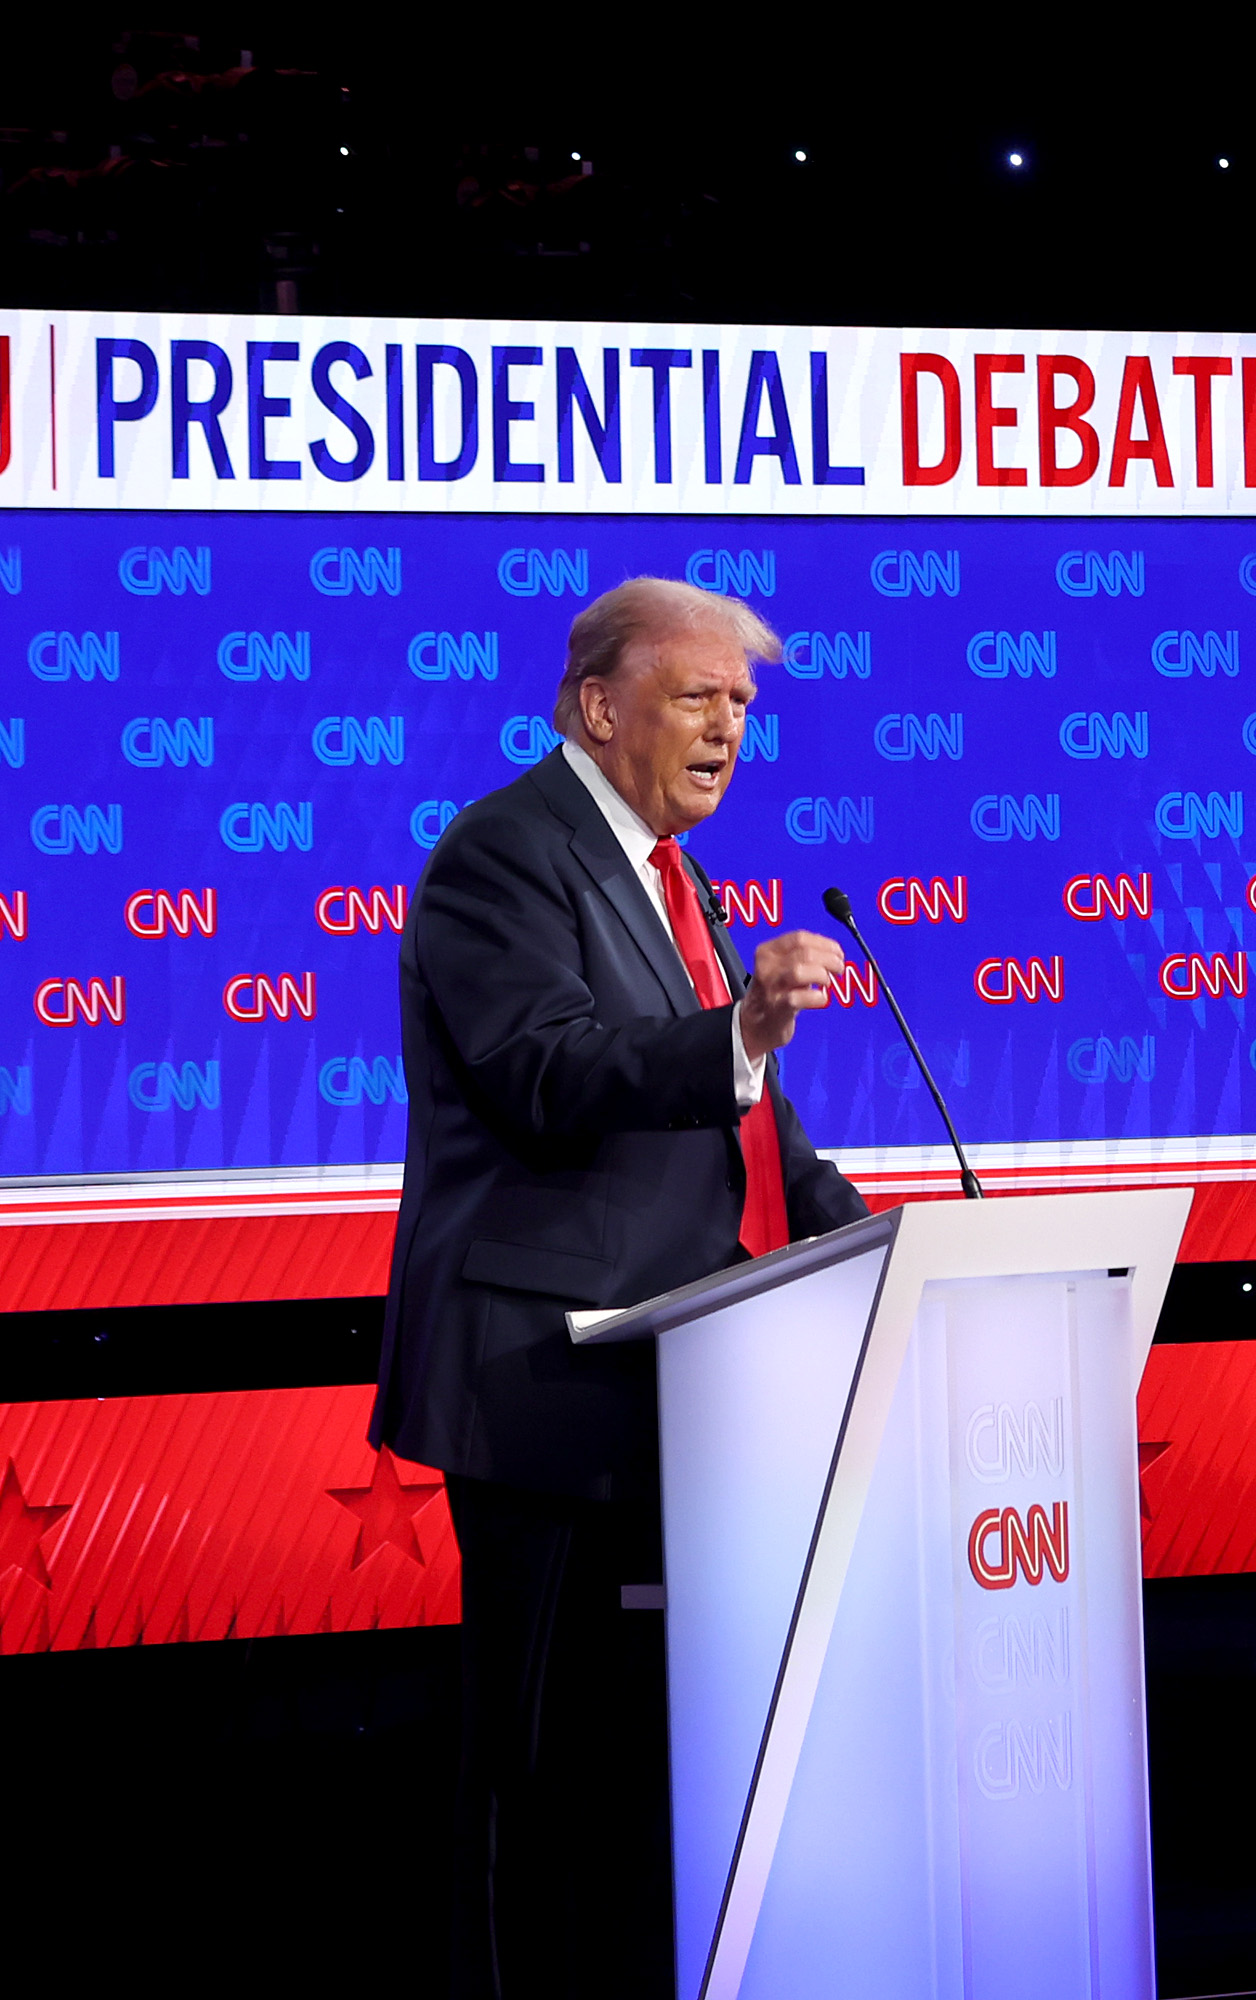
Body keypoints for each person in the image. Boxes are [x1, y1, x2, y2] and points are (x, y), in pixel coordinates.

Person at [372, 576, 870, 1997]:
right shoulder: (505, 855)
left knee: (638, 1772)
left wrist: (896, 1246)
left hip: (675, 1399)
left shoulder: (675, 873)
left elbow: (748, 1137)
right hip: (548, 1386)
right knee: (535, 1773)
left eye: (745, 707)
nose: (730, 731)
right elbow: (548, 1068)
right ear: (601, 705)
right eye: (699, 697)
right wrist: (739, 1029)